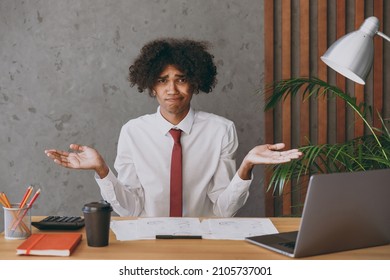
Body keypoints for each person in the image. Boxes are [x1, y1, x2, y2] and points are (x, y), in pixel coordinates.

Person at [45, 38, 302, 217]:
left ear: (195, 83)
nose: (171, 90)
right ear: (151, 85)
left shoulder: (221, 130)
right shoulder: (133, 132)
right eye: (162, 80)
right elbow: (131, 210)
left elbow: (223, 210)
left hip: (201, 240)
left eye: (181, 80)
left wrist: (246, 167)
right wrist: (102, 171)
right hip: (147, 241)